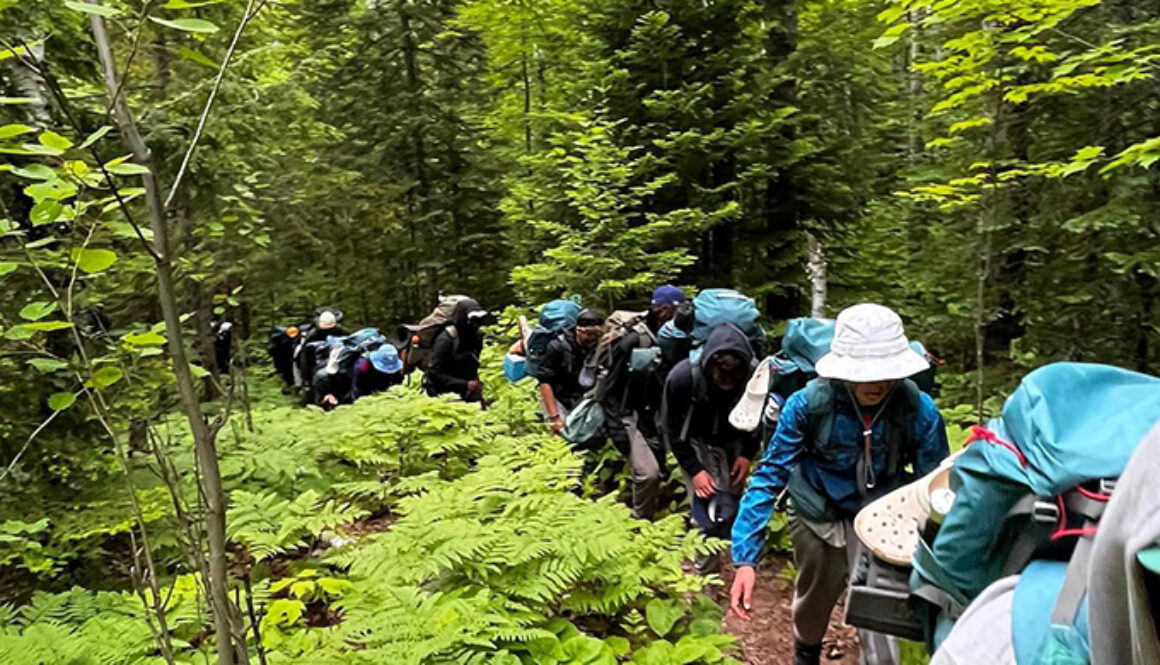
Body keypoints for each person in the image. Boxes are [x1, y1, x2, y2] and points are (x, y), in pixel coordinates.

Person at [729, 303, 949, 665]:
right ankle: (806, 652)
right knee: (814, 597)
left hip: (885, 517)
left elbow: (933, 489)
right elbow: (769, 476)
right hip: (816, 510)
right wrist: (745, 558)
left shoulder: (918, 409)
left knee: (884, 611)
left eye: (883, 372)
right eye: (863, 373)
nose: (874, 382)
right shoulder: (807, 403)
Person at [661, 323, 761, 547]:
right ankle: (706, 575)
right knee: (706, 509)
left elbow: (758, 418)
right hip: (696, 441)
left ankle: (734, 559)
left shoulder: (755, 378)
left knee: (729, 505)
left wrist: (747, 455)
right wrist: (695, 470)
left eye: (733, 380)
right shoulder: (683, 377)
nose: (727, 385)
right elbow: (672, 429)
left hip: (735, 439)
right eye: (721, 379)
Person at [603, 284, 687, 520]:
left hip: (658, 417)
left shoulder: (678, 340)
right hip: (630, 415)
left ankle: (647, 515)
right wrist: (616, 428)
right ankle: (640, 525)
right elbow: (610, 387)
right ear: (661, 310)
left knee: (658, 472)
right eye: (672, 311)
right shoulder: (633, 340)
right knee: (648, 473)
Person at [538, 309, 604, 431]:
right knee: (559, 438)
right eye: (589, 334)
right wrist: (554, 417)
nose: (593, 338)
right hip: (557, 397)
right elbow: (544, 381)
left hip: (582, 398)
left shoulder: (599, 348)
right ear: (578, 330)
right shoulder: (557, 346)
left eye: (597, 335)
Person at [426, 297, 488, 402]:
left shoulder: (475, 337)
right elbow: (434, 374)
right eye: (472, 320)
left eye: (478, 320)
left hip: (466, 394)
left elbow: (474, 362)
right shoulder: (446, 339)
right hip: (442, 396)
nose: (476, 324)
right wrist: (465, 385)